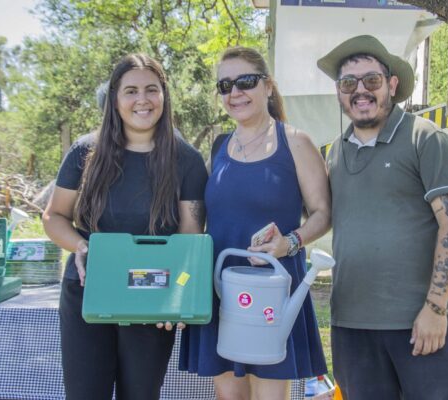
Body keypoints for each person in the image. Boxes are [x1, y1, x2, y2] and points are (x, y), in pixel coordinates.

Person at [316, 35, 448, 399]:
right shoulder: (335, 153)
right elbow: (321, 215)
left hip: (423, 323)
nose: (360, 90)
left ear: (391, 85)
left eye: (371, 80)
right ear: (339, 93)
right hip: (352, 327)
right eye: (348, 83)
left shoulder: (426, 138)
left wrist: (436, 308)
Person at [42, 53, 208, 400]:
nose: (142, 100)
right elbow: (54, 216)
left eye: (151, 89)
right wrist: (81, 247)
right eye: (131, 91)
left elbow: (189, 240)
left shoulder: (187, 160)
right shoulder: (84, 152)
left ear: (164, 95)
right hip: (89, 289)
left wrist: (177, 296)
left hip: (153, 295)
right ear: (115, 99)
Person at [179, 46, 330, 400]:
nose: (235, 92)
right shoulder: (218, 147)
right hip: (220, 288)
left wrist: (289, 242)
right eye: (225, 85)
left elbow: (323, 213)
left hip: (272, 291)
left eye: (245, 81)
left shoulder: (295, 142)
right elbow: (196, 225)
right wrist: (185, 285)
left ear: (268, 86)